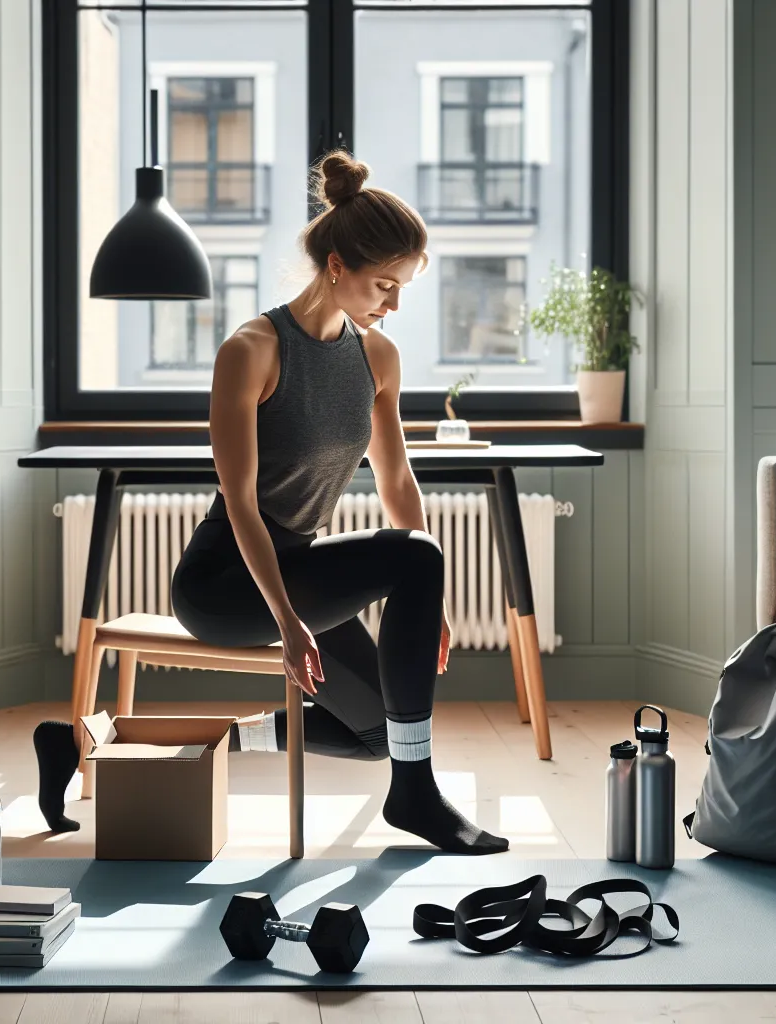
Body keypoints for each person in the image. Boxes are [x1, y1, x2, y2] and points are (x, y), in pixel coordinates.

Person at [35, 151, 507, 855]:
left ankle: (78, 743)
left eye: (403, 288)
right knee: (415, 559)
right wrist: (287, 620)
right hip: (225, 583)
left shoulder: (377, 358)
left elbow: (396, 479)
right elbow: (243, 502)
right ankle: (418, 795)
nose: (393, 304)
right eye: (385, 284)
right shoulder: (251, 350)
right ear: (338, 265)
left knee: (379, 732)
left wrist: (426, 600)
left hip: (297, 571)